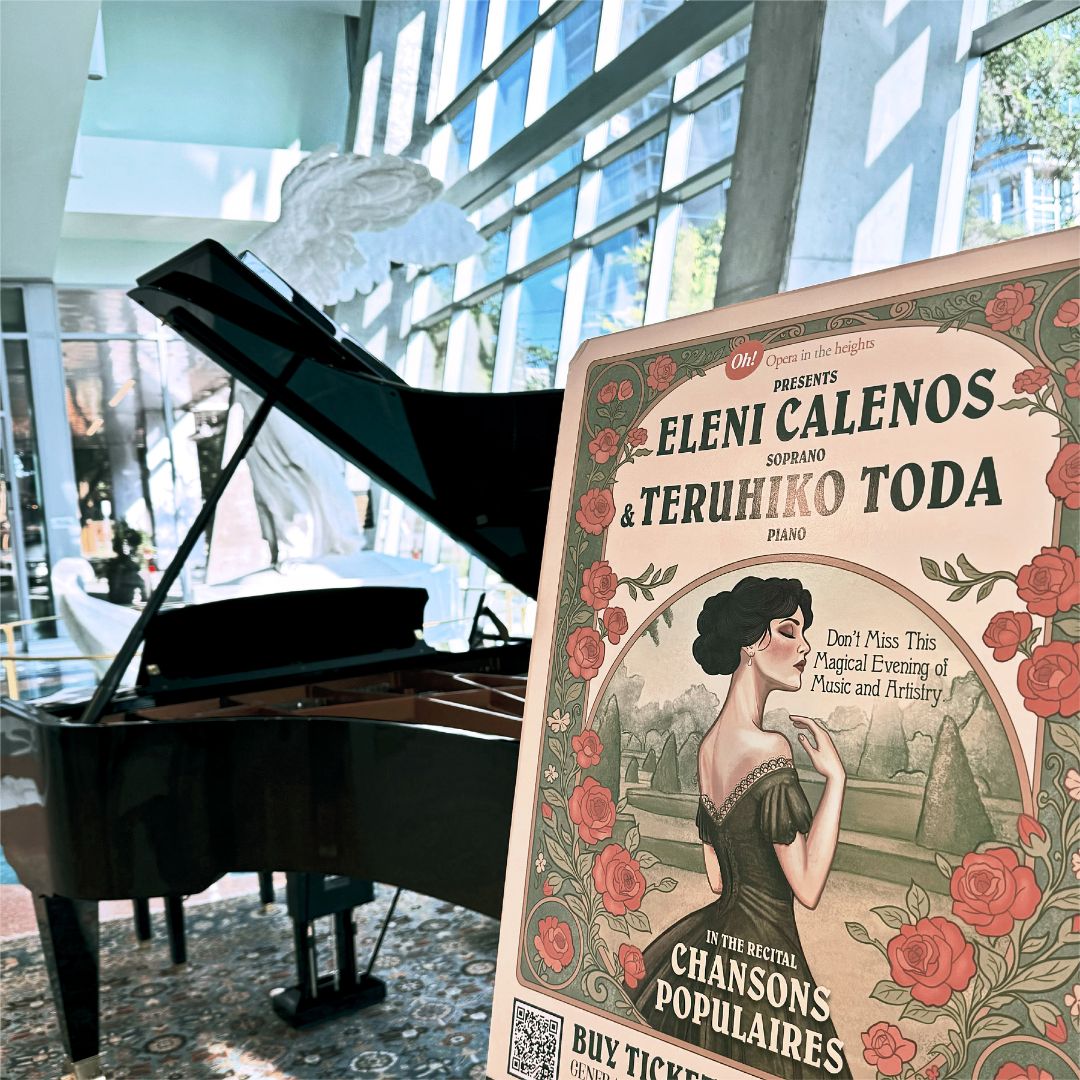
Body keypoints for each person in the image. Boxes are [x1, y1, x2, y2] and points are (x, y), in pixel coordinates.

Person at [631, 576, 851, 1078]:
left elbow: (716, 879)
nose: (806, 646)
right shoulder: (769, 747)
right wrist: (835, 779)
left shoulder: (708, 747)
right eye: (790, 630)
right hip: (767, 959)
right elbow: (809, 887)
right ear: (752, 644)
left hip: (707, 946)